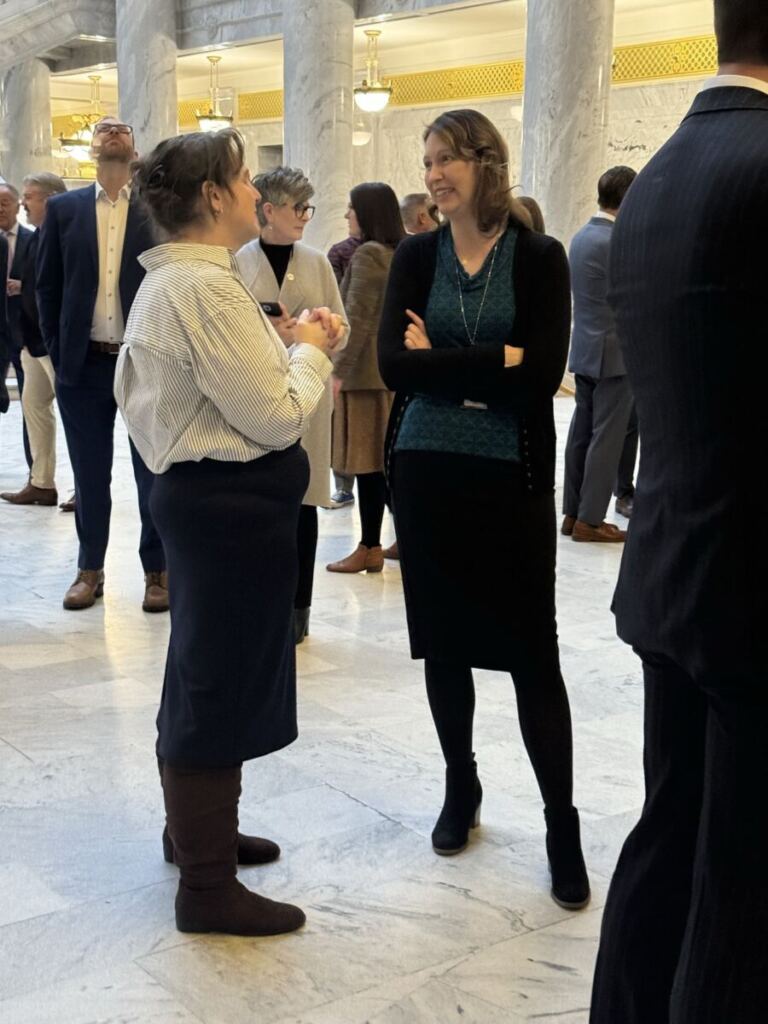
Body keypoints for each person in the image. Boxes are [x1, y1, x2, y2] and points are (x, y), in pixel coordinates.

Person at [114, 128, 343, 937]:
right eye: (244, 179)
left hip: (211, 507)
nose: (255, 190)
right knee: (215, 681)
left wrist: (280, 347)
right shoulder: (203, 288)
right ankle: (206, 888)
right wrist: (310, 351)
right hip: (226, 511)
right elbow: (276, 416)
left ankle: (197, 836)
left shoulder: (181, 281)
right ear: (213, 196)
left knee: (203, 673)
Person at [590, 4, 768, 1021]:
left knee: (669, 835)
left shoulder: (658, 171)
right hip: (752, 586)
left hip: (673, 567)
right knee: (741, 889)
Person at [378, 108, 589, 910]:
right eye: (428, 160)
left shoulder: (538, 257)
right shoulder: (416, 255)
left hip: (511, 475)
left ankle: (561, 822)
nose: (434, 174)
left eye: (448, 159)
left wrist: (444, 361)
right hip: (426, 470)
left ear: (486, 163)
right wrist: (491, 359)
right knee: (445, 645)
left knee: (534, 653)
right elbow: (393, 366)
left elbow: (540, 376)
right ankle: (459, 784)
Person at [36, 116, 167, 612]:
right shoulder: (63, 209)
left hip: (143, 361)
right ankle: (89, 569)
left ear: (134, 148)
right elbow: (47, 286)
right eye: (103, 129)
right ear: (92, 148)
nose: (113, 133)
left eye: (122, 128)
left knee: (151, 471)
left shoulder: (155, 208)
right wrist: (56, 348)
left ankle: (157, 571)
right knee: (90, 476)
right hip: (83, 365)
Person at [237, 167, 348, 644]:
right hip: (255, 397)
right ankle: (262, 607)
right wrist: (272, 334)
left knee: (303, 505)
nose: (305, 216)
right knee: (260, 507)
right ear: (268, 210)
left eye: (308, 207)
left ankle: (300, 609)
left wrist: (330, 330)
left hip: (307, 398)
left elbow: (341, 325)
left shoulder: (316, 262)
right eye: (297, 207)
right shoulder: (236, 261)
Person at [327, 182, 405, 574]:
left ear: (368, 213)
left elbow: (355, 318)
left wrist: (336, 372)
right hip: (389, 374)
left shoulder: (369, 255)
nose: (347, 215)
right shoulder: (401, 251)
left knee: (368, 465)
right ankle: (401, 537)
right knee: (384, 464)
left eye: (352, 208)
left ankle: (369, 546)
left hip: (364, 378)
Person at [561, 166, 637, 544]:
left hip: (586, 348)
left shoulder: (581, 237)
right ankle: (590, 520)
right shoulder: (617, 242)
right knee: (607, 438)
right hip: (615, 353)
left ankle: (572, 513)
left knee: (581, 433)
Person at [1, 173, 67, 507]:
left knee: (75, 417)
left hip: (54, 342)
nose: (25, 204)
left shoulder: (66, 236)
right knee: (34, 408)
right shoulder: (38, 235)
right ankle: (41, 483)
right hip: (30, 341)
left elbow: (63, 286)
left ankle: (86, 489)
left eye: (30, 197)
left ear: (51, 199)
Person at [327, 213, 364, 507]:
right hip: (348, 346)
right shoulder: (340, 251)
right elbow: (336, 301)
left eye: (352, 209)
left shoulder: (397, 248)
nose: (347, 215)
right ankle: (343, 484)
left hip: (374, 356)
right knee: (343, 427)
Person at [0, 182, 34, 471]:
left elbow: (44, 282)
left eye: (5, 203)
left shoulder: (33, 240)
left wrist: (24, 287)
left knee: (31, 406)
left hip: (24, 334)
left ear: (17, 206)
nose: (0, 209)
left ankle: (36, 472)